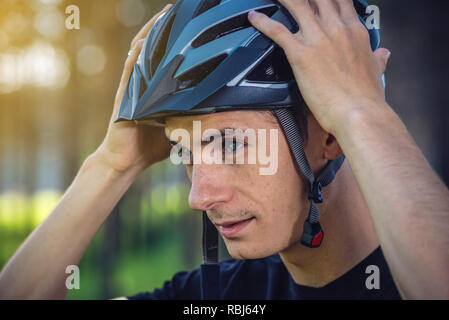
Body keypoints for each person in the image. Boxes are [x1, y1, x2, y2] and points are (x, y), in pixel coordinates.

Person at [0, 0, 448, 300]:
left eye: (231, 144)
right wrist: (112, 165)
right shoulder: (220, 298)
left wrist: (361, 112)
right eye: (186, 150)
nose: (199, 196)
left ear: (329, 136)